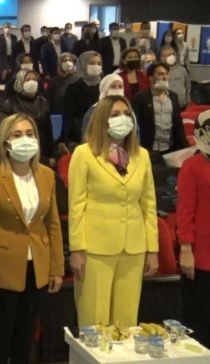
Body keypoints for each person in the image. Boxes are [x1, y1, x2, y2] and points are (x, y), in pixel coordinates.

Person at [0, 113, 64, 364]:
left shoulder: (47, 175)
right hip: (4, 268)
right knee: (1, 337)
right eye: (17, 135)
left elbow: (53, 224)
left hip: (38, 265)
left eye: (29, 134)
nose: (24, 139)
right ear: (5, 141)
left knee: (26, 336)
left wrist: (57, 268)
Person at [68, 94, 158, 327]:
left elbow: (148, 205)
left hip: (134, 248)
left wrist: (153, 250)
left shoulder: (142, 156)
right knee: (94, 322)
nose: (123, 119)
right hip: (95, 249)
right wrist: (77, 250)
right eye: (115, 114)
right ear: (102, 120)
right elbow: (76, 206)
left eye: (127, 114)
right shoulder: (83, 154)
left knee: (126, 323)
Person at [177, 111, 210, 348]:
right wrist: (186, 250)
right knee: (201, 323)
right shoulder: (192, 166)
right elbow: (185, 212)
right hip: (202, 257)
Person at [0, 69, 55, 166]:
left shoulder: (43, 102)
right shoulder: (11, 103)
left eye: (34, 79)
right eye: (28, 80)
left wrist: (51, 155)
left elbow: (49, 132)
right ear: (20, 82)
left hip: (42, 153)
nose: (32, 82)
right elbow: (5, 134)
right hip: (18, 153)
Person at [131, 62, 187, 154]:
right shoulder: (140, 98)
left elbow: (178, 124)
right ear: (151, 77)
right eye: (160, 74)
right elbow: (135, 124)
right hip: (148, 149)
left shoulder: (173, 97)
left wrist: (184, 146)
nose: (165, 77)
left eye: (166, 74)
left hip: (170, 148)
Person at [59, 51, 103, 145]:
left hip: (103, 134)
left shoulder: (105, 86)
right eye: (91, 63)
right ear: (83, 64)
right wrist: (63, 140)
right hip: (80, 135)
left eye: (99, 64)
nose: (96, 66)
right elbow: (68, 117)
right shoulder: (73, 88)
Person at [80, 74, 126, 141]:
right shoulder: (93, 111)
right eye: (113, 86)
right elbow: (86, 136)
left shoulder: (127, 110)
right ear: (105, 89)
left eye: (120, 86)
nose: (117, 89)